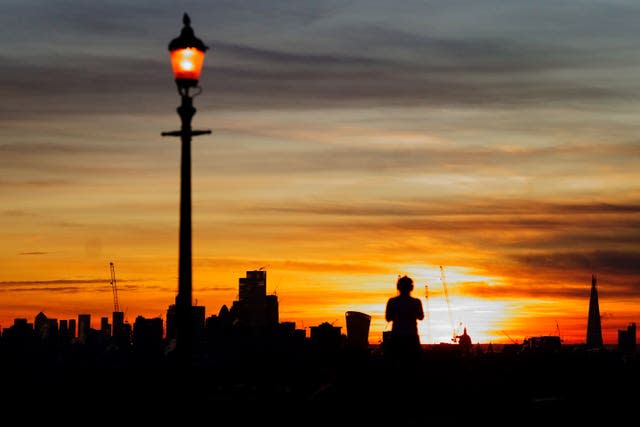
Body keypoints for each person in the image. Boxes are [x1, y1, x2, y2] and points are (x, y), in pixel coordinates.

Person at [385, 275, 424, 359]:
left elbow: (388, 318)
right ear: (411, 287)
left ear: (398, 287)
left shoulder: (392, 302)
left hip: (397, 337)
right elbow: (421, 317)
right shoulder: (416, 302)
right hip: (411, 338)